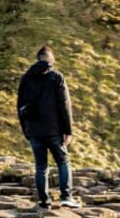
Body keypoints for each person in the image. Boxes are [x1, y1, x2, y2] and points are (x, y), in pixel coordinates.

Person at [15, 46, 77, 207]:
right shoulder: (56, 77)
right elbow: (65, 105)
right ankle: (66, 197)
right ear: (49, 58)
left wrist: (26, 130)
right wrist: (68, 131)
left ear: (38, 59)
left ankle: (44, 200)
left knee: (41, 167)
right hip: (54, 130)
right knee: (63, 162)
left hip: (34, 130)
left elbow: (19, 106)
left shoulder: (26, 79)